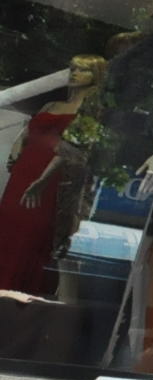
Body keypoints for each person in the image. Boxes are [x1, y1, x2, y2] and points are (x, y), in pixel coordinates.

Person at [0, 54, 103, 294]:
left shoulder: (90, 111)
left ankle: (18, 291)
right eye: (73, 69)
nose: (74, 74)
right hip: (23, 171)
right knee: (7, 227)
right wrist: (16, 151)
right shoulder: (51, 106)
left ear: (95, 76)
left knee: (32, 232)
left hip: (51, 177)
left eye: (83, 70)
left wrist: (44, 179)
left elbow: (74, 148)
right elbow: (27, 133)